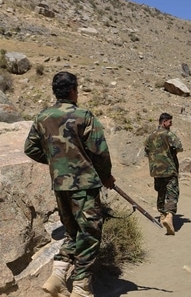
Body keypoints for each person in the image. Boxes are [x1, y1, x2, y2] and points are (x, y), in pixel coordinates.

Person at [24, 71, 116, 297]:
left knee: (72, 233)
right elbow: (100, 152)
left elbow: (30, 148)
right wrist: (106, 176)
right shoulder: (84, 116)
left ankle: (57, 276)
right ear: (73, 90)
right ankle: (81, 286)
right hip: (84, 186)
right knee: (90, 234)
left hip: (60, 185)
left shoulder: (42, 117)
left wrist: (58, 161)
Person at [144, 113, 183, 235]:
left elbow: (147, 151)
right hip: (169, 169)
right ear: (164, 122)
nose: (171, 125)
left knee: (161, 192)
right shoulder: (168, 134)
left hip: (156, 170)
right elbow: (179, 147)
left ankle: (162, 215)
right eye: (170, 122)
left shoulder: (150, 137)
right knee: (172, 192)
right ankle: (169, 216)